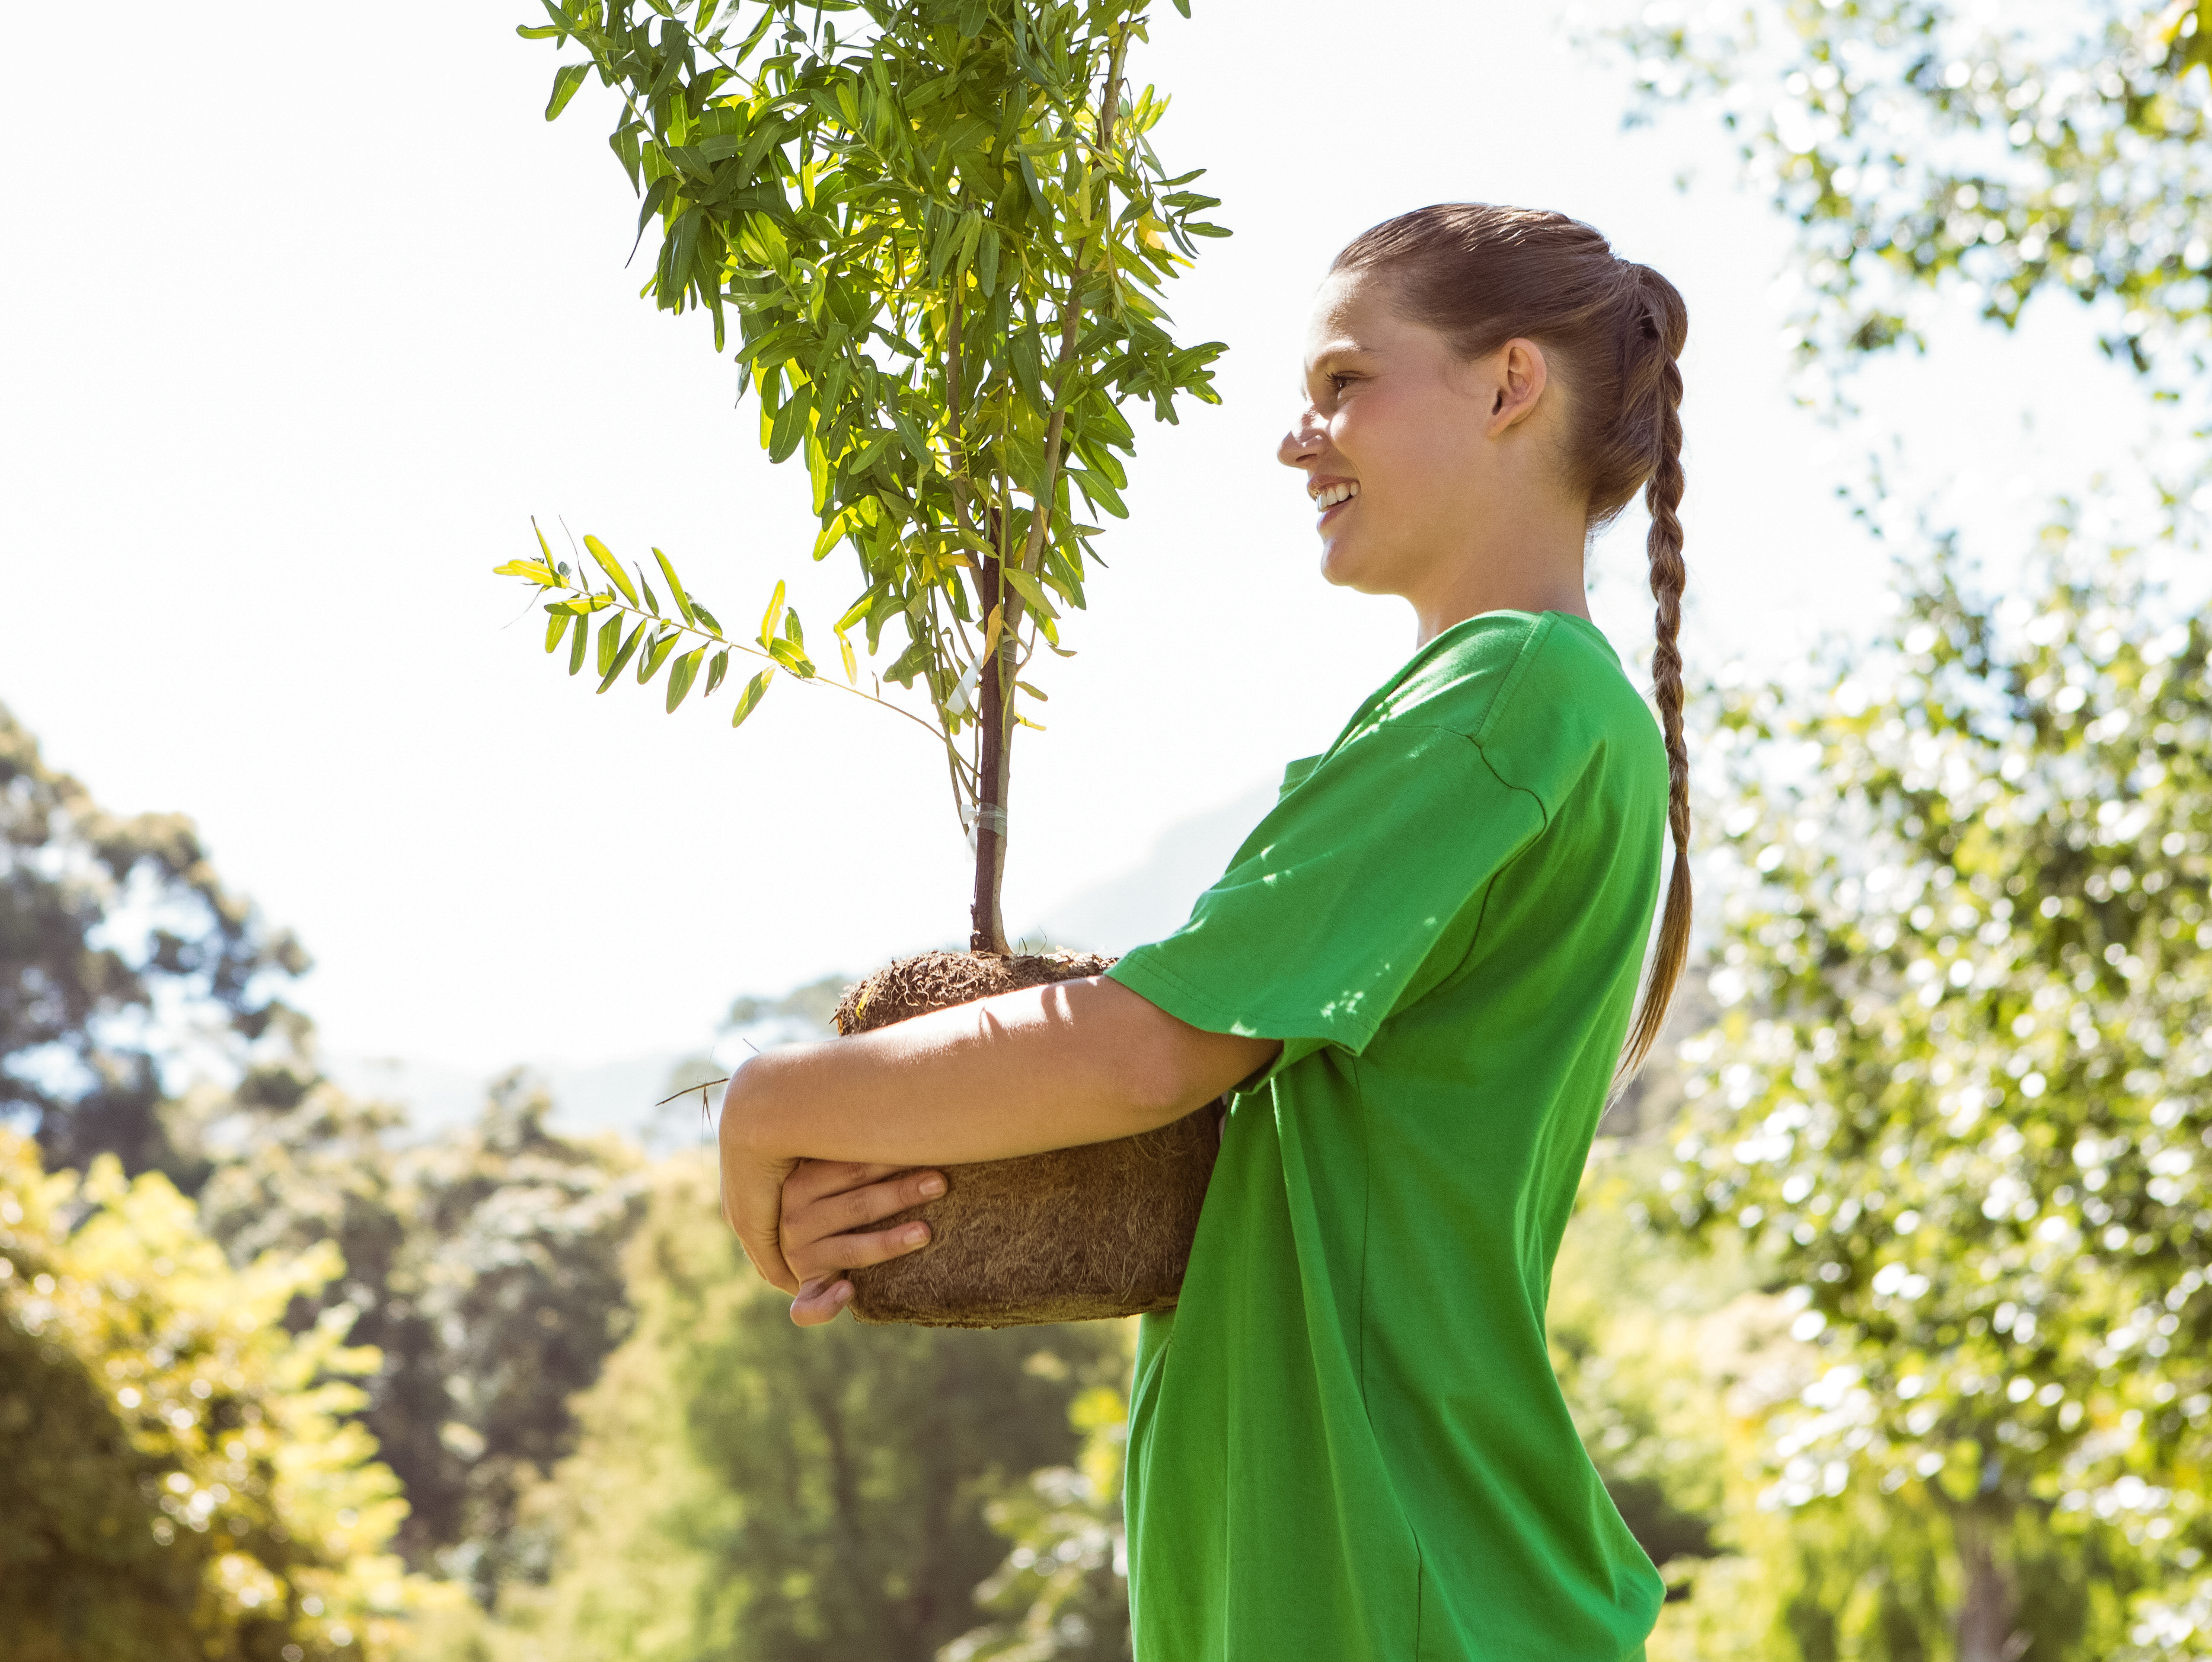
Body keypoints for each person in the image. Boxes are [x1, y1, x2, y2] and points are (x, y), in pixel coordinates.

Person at [714, 203, 1692, 1661]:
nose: (1301, 440)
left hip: (1400, 1590)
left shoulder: (1510, 696)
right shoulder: (1538, 706)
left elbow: (1151, 1050)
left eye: (1346, 382)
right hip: (1377, 1582)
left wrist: (773, 1106)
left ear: (1508, 384)